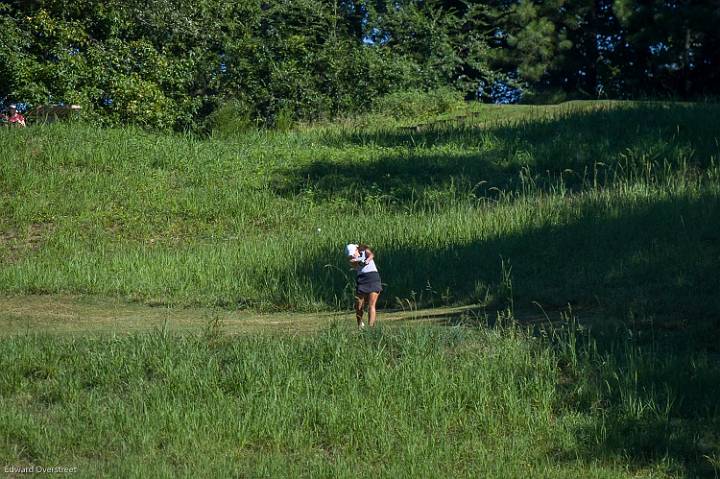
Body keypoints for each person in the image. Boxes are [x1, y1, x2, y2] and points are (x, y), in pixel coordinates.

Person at [345, 243, 383, 329]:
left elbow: (371, 255)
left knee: (371, 305)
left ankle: (370, 328)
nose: (353, 255)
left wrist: (368, 260)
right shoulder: (351, 259)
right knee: (359, 305)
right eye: (351, 254)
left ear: (356, 249)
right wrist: (360, 262)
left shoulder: (364, 249)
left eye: (353, 252)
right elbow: (355, 263)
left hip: (373, 276)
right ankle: (360, 325)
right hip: (362, 279)